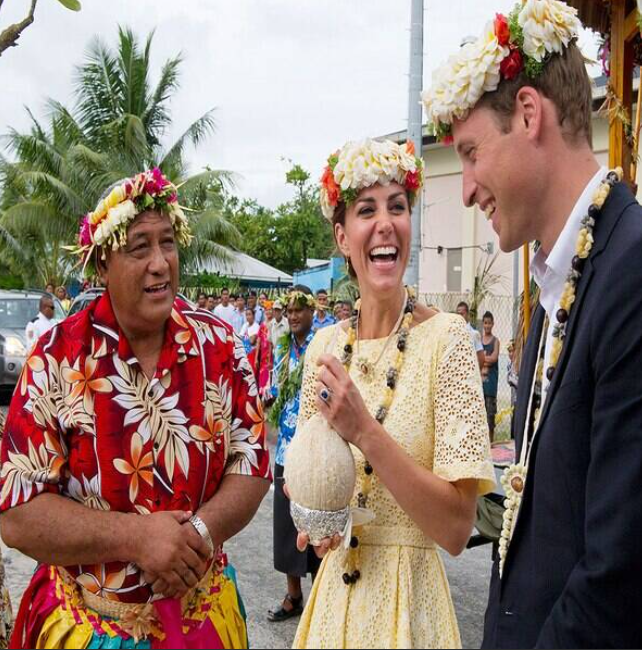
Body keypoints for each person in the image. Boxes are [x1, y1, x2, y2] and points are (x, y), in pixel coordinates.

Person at [424, 1, 642, 646]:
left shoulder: (630, 273)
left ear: (528, 114)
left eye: (469, 154)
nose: (464, 189)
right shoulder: (561, 280)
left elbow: (619, 571)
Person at [0, 169, 271, 649]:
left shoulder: (219, 345)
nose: (160, 263)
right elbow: (18, 516)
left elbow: (251, 460)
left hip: (202, 621)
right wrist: (137, 537)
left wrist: (200, 535)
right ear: (102, 265)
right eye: (139, 247)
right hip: (89, 628)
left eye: (168, 243)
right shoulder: (55, 361)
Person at [292, 139, 495, 649]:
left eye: (398, 207)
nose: (385, 222)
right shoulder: (324, 348)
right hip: (334, 607)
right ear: (342, 237)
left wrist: (364, 430)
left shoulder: (446, 341)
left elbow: (455, 529)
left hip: (412, 609)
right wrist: (316, 522)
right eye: (366, 210)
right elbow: (305, 478)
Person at [267, 287, 321, 624]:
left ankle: (321, 600)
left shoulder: (323, 344)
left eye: (300, 310)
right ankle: (294, 595)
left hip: (315, 449)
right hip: (286, 450)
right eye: (289, 311)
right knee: (286, 527)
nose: (294, 316)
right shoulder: (283, 349)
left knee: (316, 523)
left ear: (312, 311)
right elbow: (276, 391)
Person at [481, 311, 500, 442]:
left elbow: (494, 358)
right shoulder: (478, 340)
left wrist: (483, 360)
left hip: (490, 385)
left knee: (490, 416)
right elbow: (475, 359)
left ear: (493, 324)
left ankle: (491, 442)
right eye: (485, 323)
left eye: (489, 323)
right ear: (483, 324)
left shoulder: (495, 341)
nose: (487, 326)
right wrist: (484, 361)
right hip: (479, 385)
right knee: (479, 416)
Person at [456, 301, 484, 370]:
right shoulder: (454, 333)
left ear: (468, 314)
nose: (459, 317)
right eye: (458, 314)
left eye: (462, 314)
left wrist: (475, 372)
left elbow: (481, 358)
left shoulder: (474, 334)